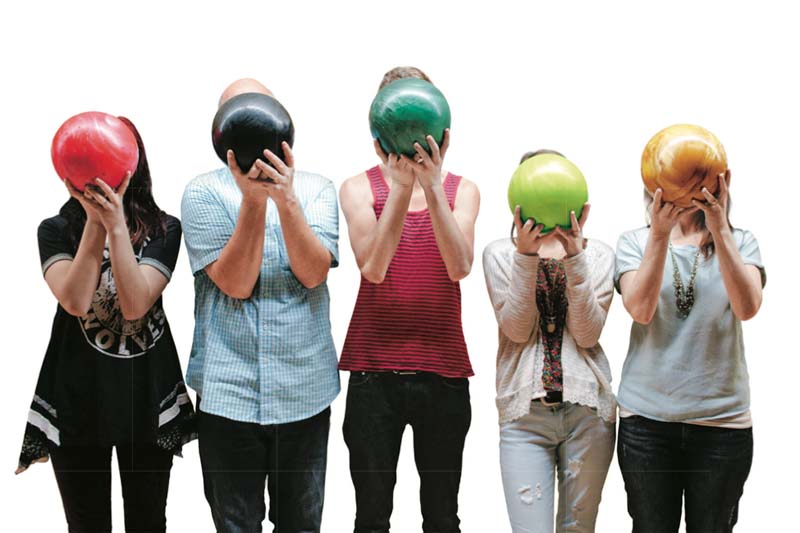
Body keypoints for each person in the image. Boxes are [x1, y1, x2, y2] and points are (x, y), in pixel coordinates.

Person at [17, 117, 196, 532]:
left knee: (148, 523)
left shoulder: (164, 229)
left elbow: (135, 304)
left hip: (146, 393)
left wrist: (115, 224)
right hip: (77, 392)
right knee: (86, 525)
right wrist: (95, 221)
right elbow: (76, 300)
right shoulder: (55, 230)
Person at [181, 78, 340, 533]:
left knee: (302, 524)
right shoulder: (203, 193)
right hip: (228, 393)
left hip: (304, 392)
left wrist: (284, 197)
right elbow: (234, 283)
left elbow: (312, 273)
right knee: (235, 526)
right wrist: (253, 200)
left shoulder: (316, 189)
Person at [338, 66, 480, 533]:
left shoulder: (463, 190)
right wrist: (401, 188)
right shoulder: (358, 188)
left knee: (442, 517)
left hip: (443, 373)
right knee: (372, 517)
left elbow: (459, 266)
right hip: (374, 375)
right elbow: (373, 268)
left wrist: (431, 184)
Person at [615, 171, 765, 532]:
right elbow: (640, 310)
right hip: (647, 424)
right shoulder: (634, 242)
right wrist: (660, 234)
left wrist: (720, 229)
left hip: (721, 425)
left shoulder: (742, 242)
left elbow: (747, 307)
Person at [483, 150, 616, 533]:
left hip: (588, 414)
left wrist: (575, 258)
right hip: (525, 419)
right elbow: (517, 330)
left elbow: (588, 334)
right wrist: (526, 256)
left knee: (578, 529)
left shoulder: (600, 256)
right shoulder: (500, 254)